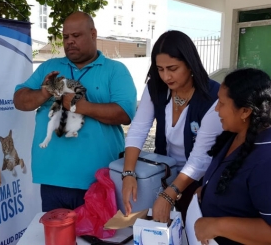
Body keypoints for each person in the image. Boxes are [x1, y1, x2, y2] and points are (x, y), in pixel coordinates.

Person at [13, 11, 137, 211]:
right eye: (65, 37)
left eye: (76, 36)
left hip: (99, 180)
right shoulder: (50, 67)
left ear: (93, 34)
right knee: (58, 240)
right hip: (53, 178)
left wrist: (80, 106)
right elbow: (19, 100)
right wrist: (45, 93)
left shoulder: (115, 70)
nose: (69, 41)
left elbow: (125, 113)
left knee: (97, 241)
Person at [122, 30, 223, 222]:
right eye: (160, 69)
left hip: (199, 181)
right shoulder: (156, 88)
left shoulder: (212, 97)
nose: (166, 76)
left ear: (190, 64)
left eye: (172, 68)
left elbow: (200, 158)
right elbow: (138, 130)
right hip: (164, 173)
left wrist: (170, 194)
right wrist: (128, 173)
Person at [194, 68, 271, 245]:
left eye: (221, 103)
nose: (216, 109)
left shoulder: (265, 159)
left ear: (245, 111)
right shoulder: (234, 134)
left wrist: (218, 226)